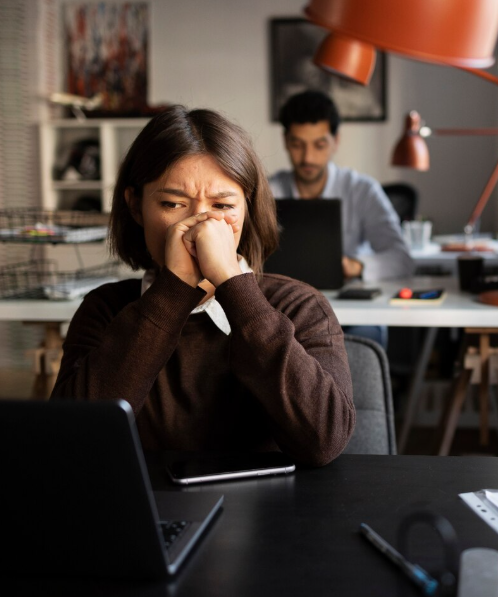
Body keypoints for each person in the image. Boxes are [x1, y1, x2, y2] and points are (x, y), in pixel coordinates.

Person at [50, 106, 355, 467]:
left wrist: (235, 288)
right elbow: (72, 439)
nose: (198, 226)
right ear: (136, 206)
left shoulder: (300, 305)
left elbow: (323, 441)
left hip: (272, 515)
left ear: (248, 209)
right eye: (172, 204)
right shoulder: (105, 309)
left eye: (223, 205)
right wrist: (174, 288)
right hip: (149, 514)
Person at [269, 90, 414, 283]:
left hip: (348, 304)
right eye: (297, 145)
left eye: (319, 145)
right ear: (285, 141)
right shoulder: (266, 192)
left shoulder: (362, 190)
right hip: (282, 300)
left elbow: (402, 259)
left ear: (336, 141)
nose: (308, 157)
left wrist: (356, 266)